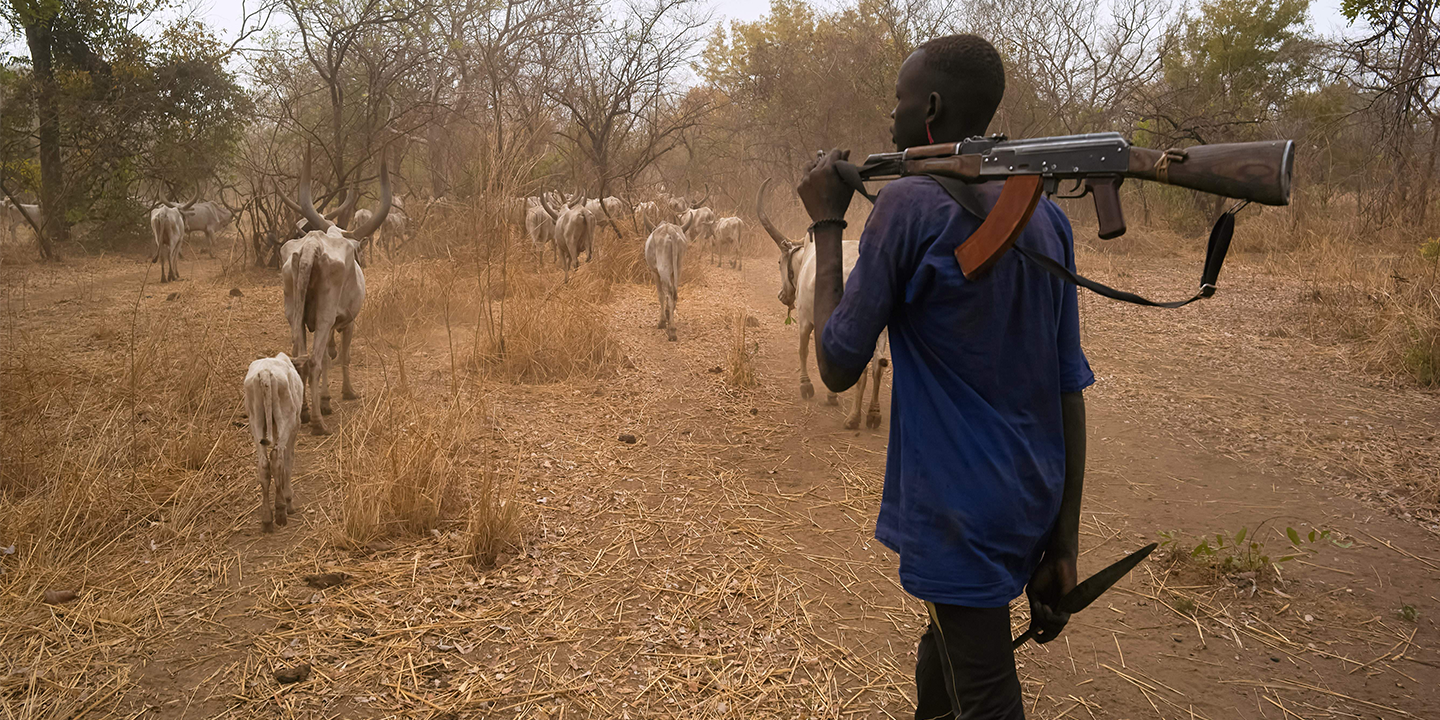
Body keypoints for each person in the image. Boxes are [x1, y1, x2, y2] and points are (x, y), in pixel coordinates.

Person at [795, 34, 1093, 720]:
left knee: (986, 697)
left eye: (899, 103)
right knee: (947, 656)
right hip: (1031, 498)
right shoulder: (1047, 215)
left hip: (960, 511)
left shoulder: (907, 206)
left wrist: (828, 223)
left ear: (931, 106)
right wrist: (1065, 539)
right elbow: (1067, 386)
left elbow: (838, 365)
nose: (891, 120)